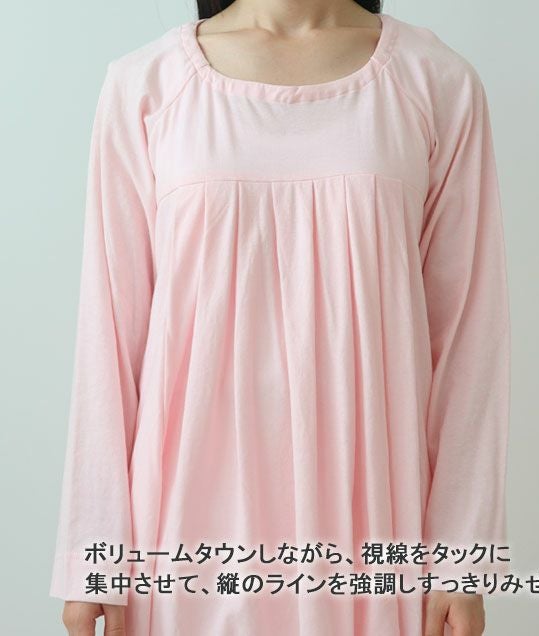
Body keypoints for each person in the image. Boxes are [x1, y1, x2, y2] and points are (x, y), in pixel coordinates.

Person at [49, 1, 511, 634]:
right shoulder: (147, 85)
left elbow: (467, 338)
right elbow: (109, 332)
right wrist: (93, 556)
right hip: (184, 528)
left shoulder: (435, 81)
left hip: (372, 521)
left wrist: (463, 558)